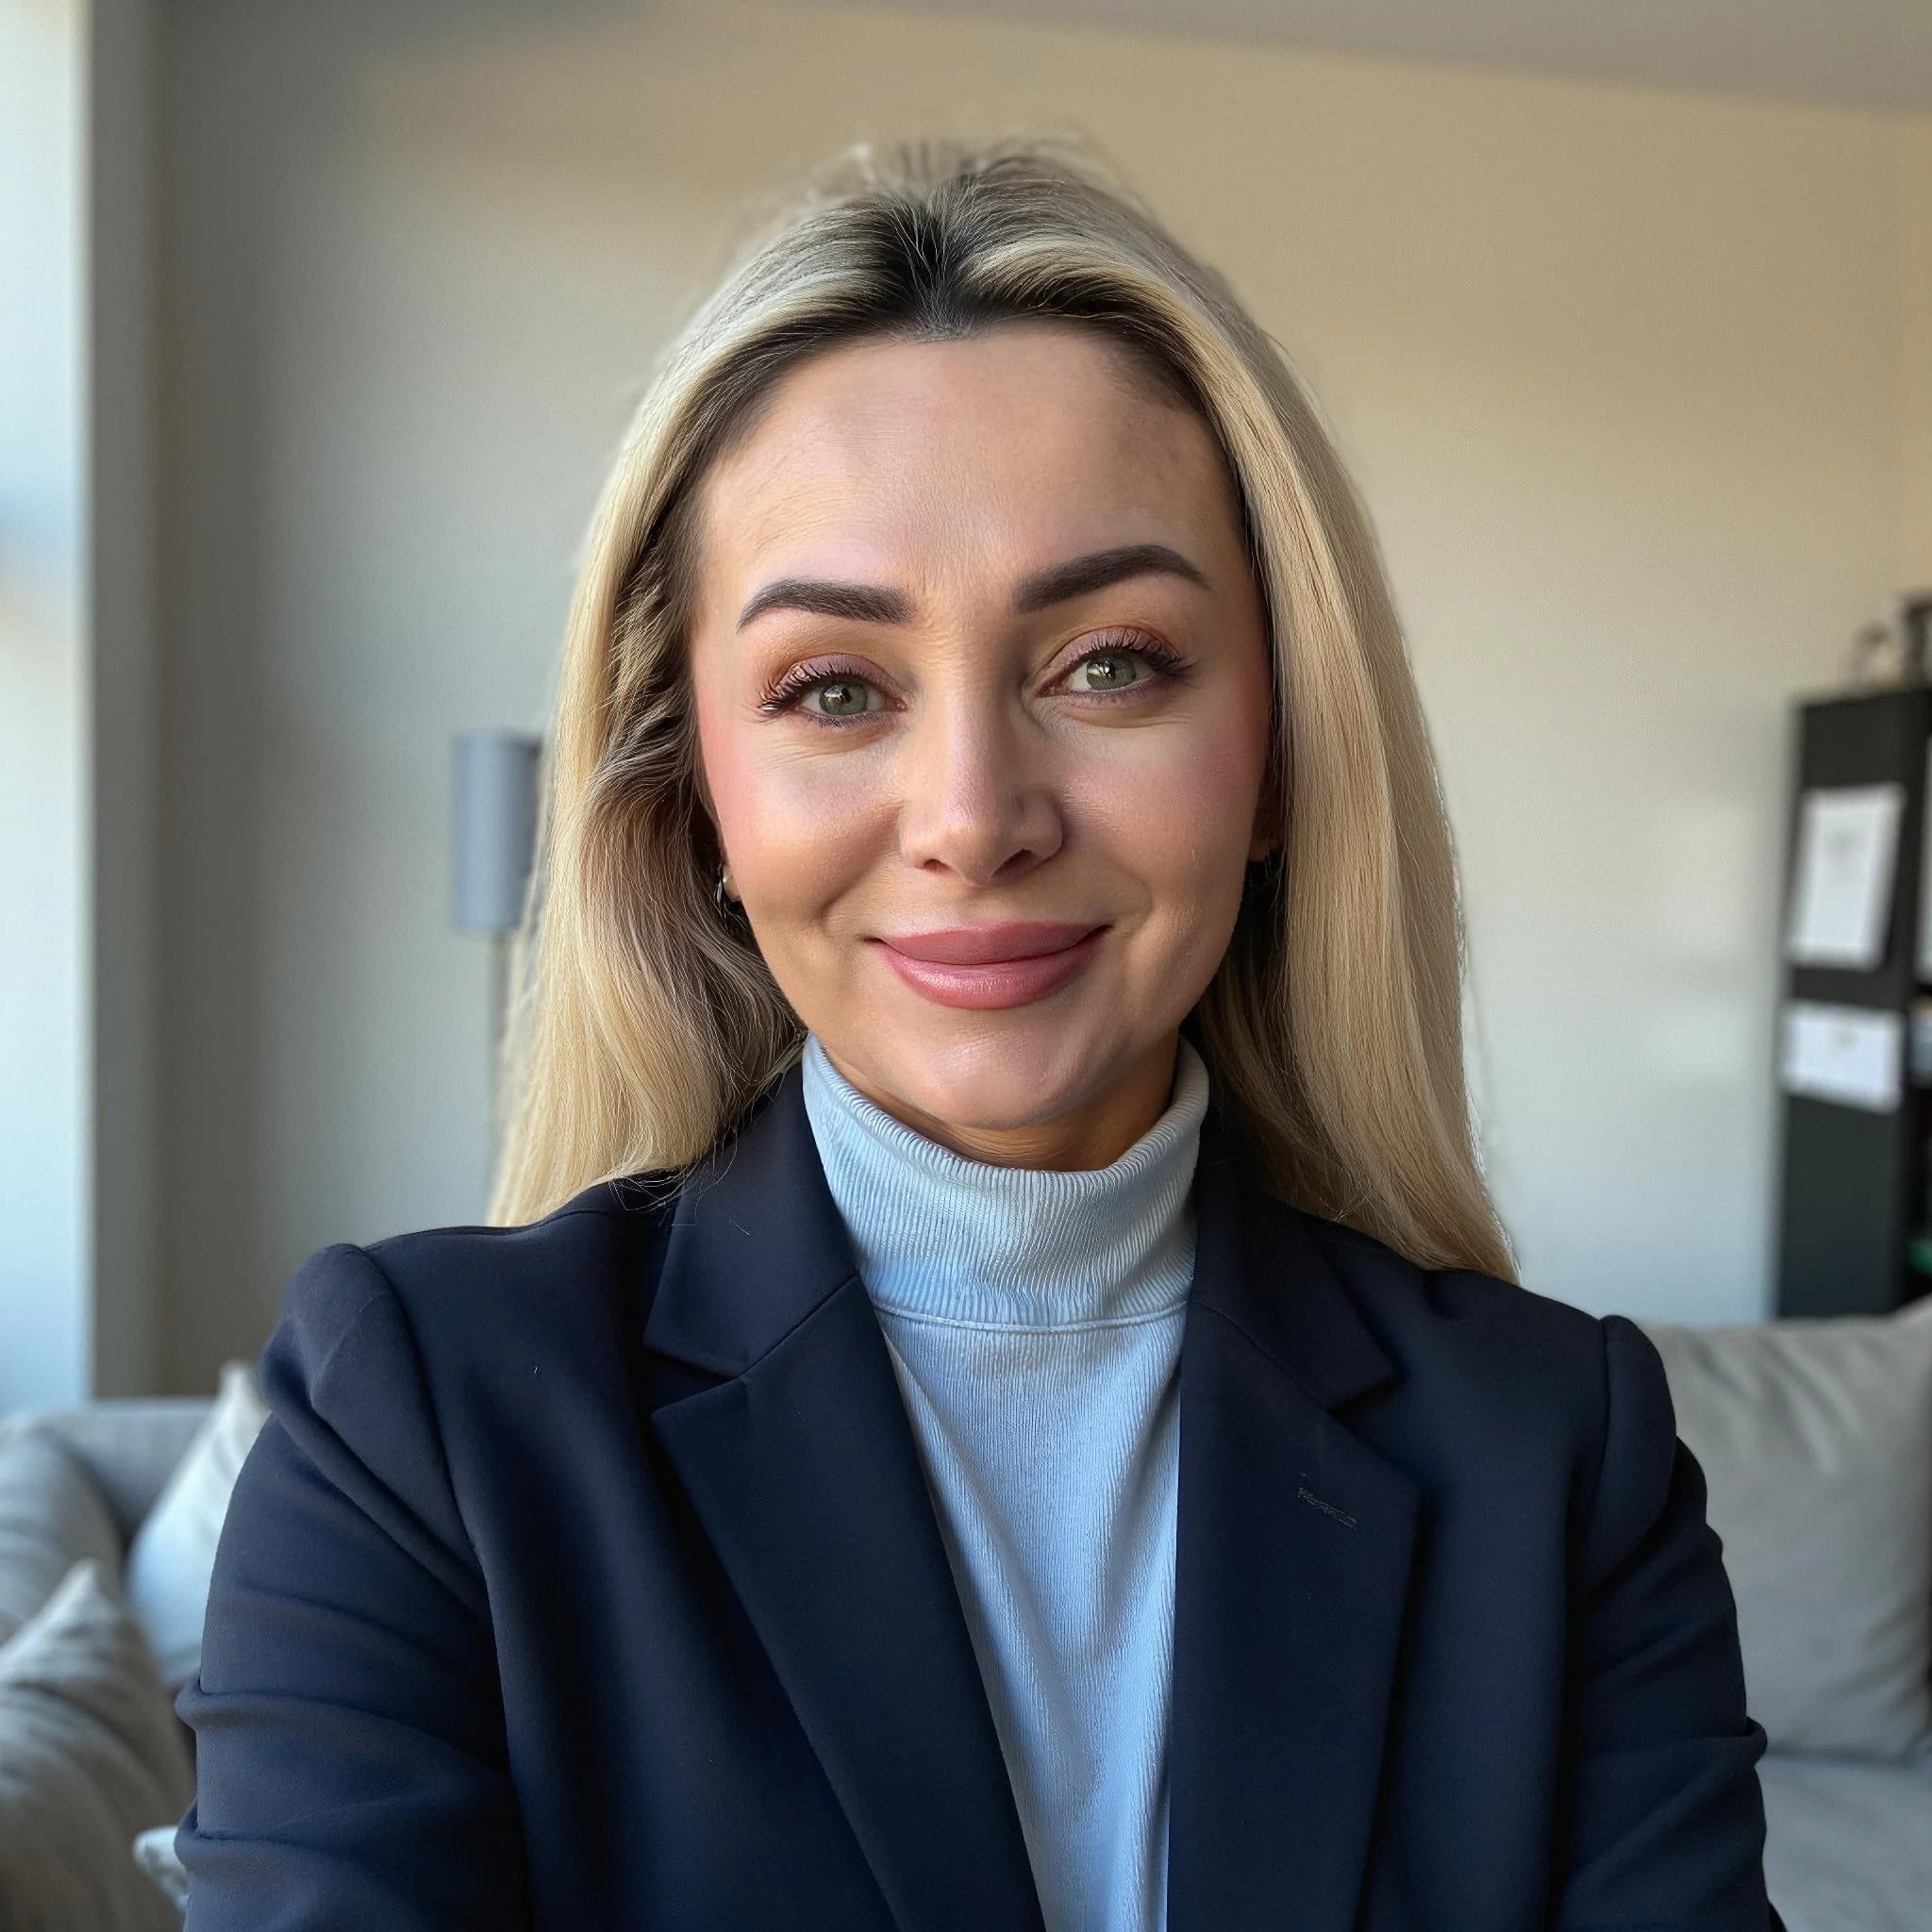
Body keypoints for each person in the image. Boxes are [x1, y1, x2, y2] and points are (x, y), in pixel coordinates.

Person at [174, 132, 1784, 1930]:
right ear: (694, 790)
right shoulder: (421, 1423)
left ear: (1277, 757)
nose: (974, 813)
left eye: (1111, 661)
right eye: (836, 688)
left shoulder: (1561, 1454)